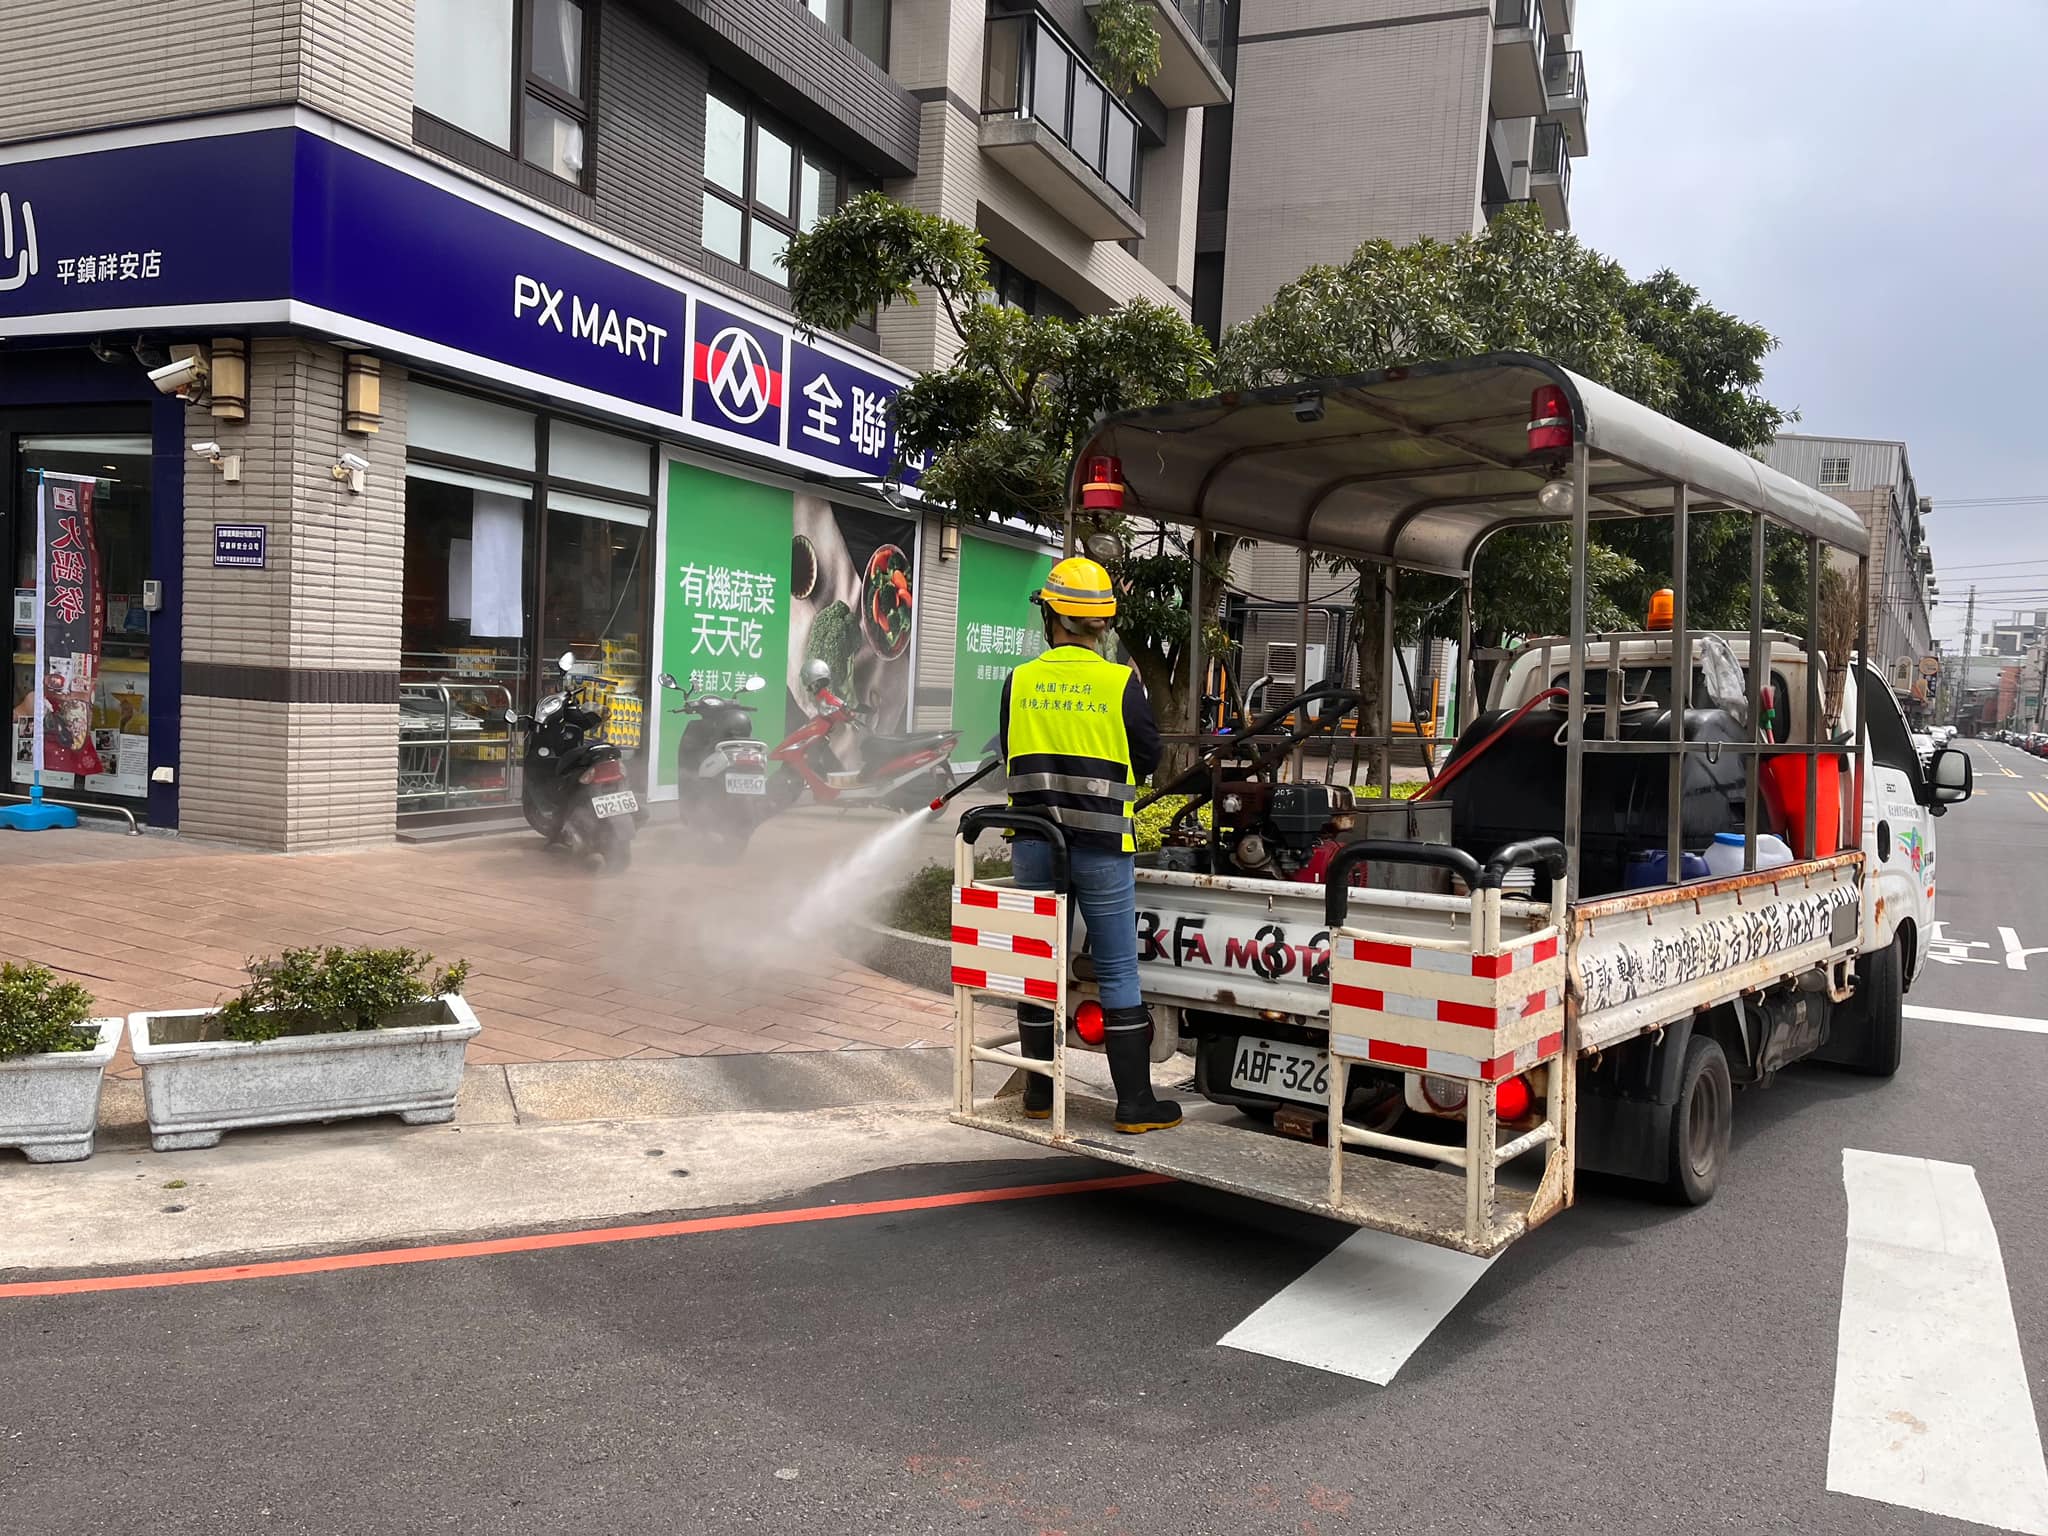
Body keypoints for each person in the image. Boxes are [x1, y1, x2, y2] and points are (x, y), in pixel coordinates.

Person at [998, 556, 1178, 1133]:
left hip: (1035, 843)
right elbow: (1147, 755)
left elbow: (1009, 748)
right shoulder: (1121, 682)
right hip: (1101, 844)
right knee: (1117, 969)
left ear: (1050, 615)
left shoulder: (1020, 681)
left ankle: (1038, 1093)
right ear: (1103, 623)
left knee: (1036, 962)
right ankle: (1134, 1105)